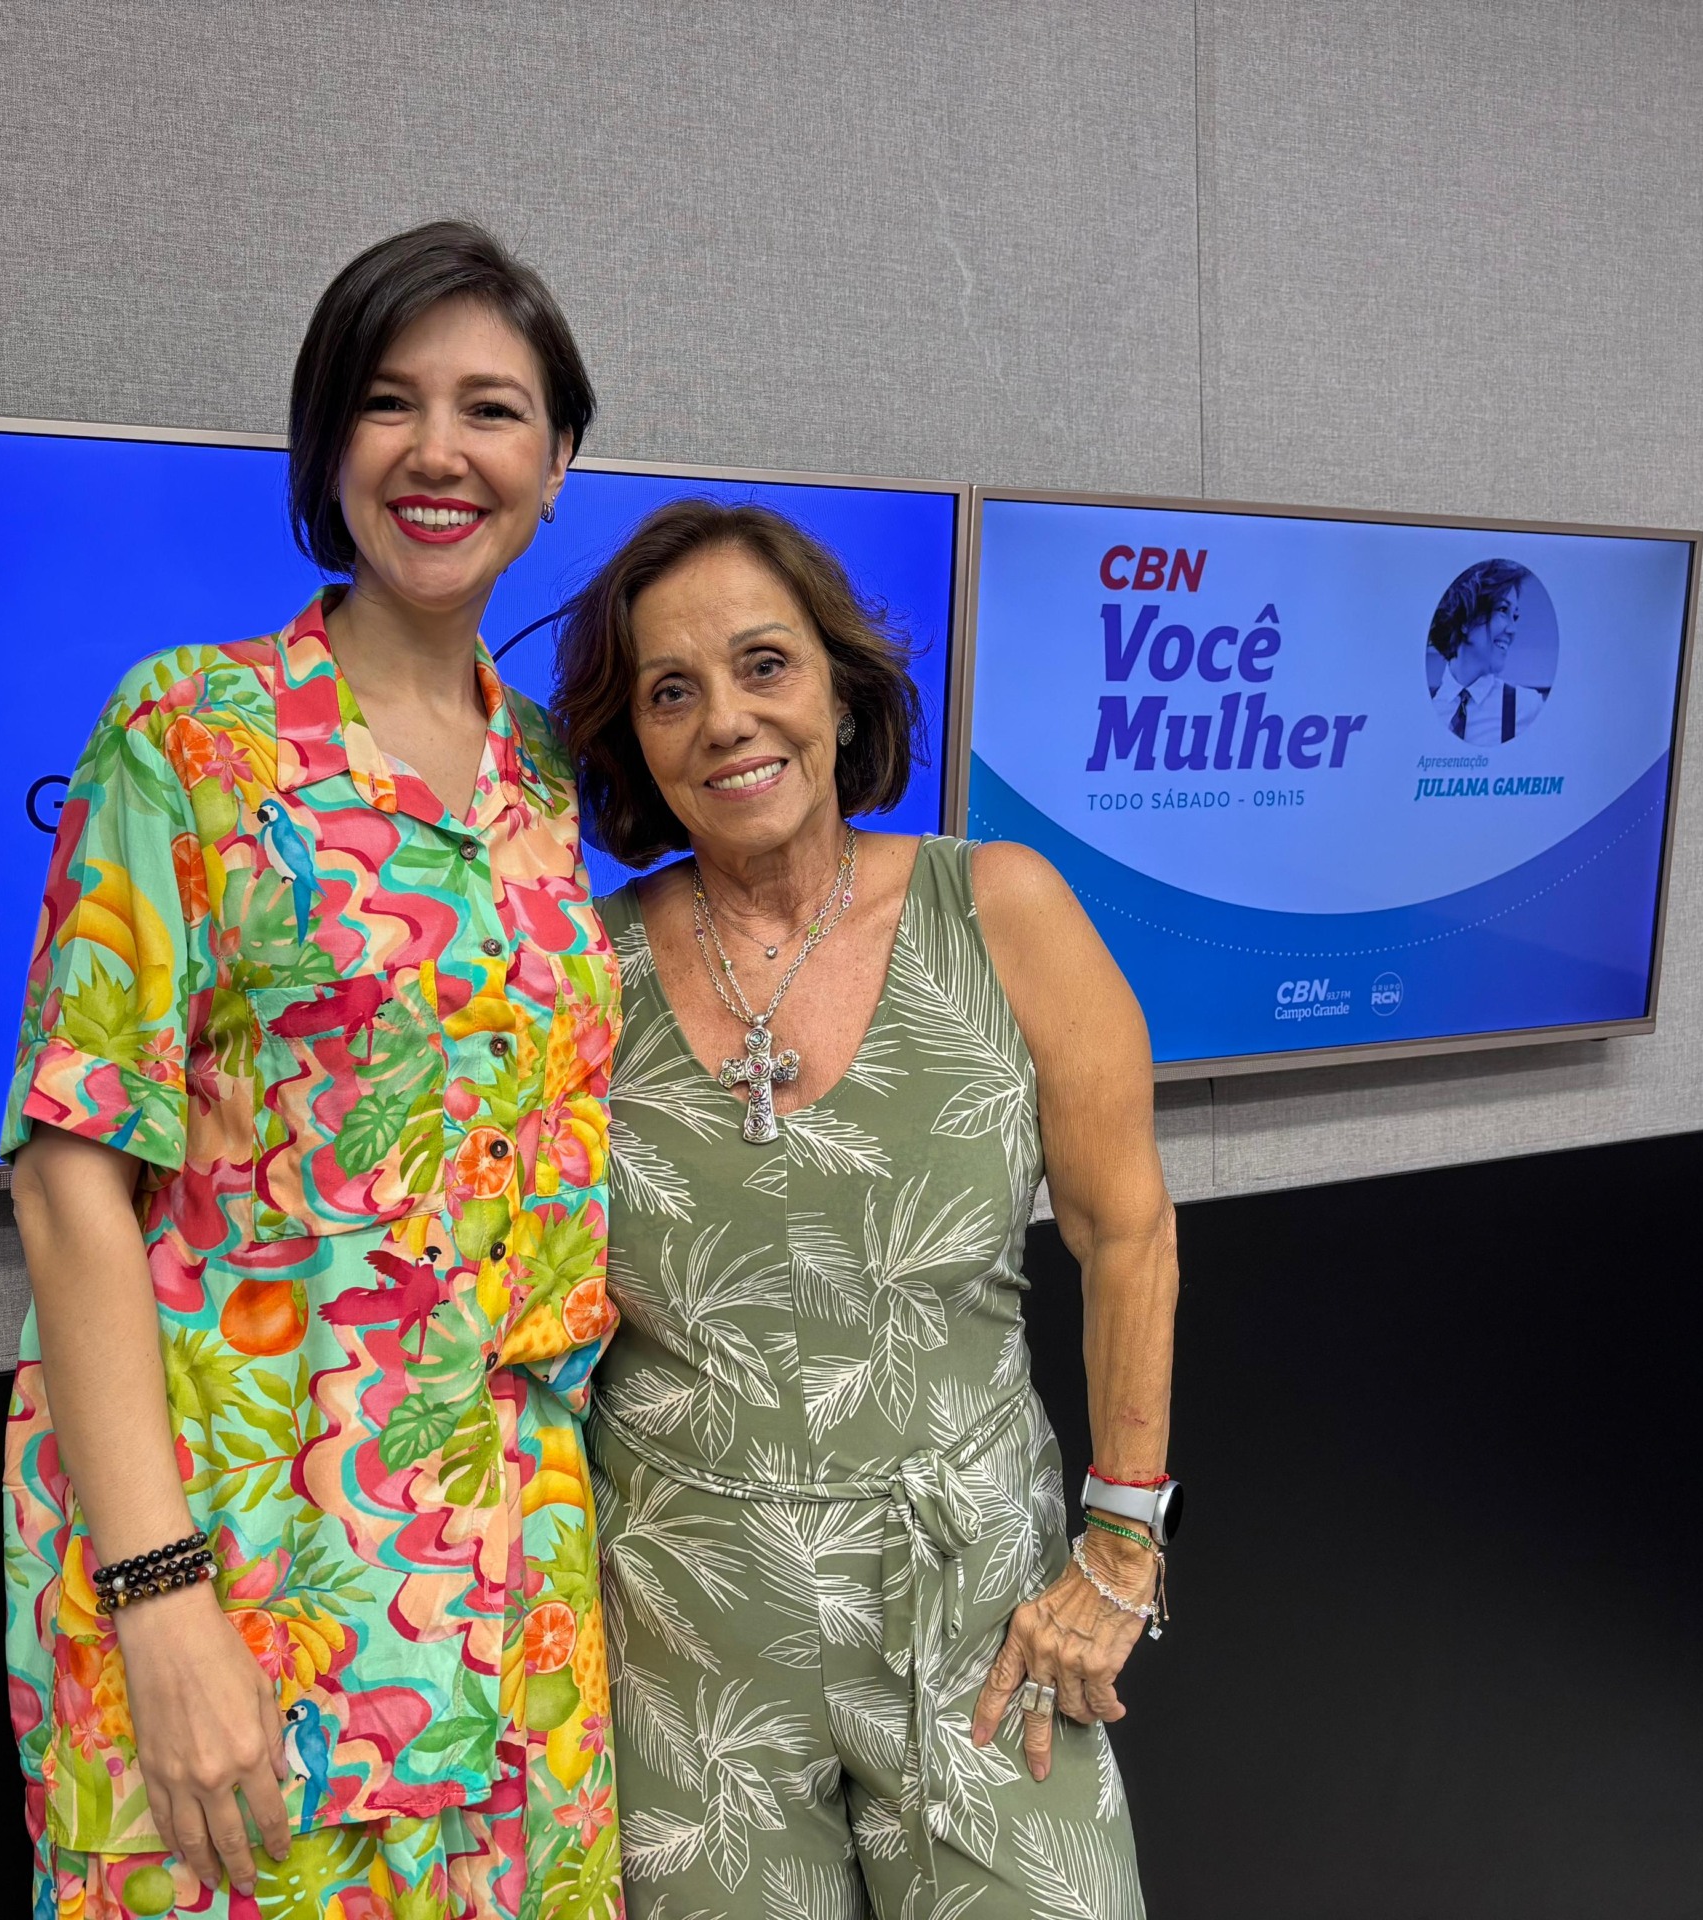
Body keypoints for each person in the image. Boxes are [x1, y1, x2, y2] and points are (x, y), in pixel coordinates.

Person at [1, 220, 624, 1920]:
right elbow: (72, 1176)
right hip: (245, 1576)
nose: (440, 451)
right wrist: (160, 1596)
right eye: (387, 402)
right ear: (325, 445)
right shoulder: (189, 736)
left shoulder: (559, 787)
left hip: (516, 1613)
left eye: (492, 410)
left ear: (557, 464)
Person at [550, 502, 1180, 1918]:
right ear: (635, 742)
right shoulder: (579, 975)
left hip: (983, 1621)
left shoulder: (1000, 910)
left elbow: (1126, 1230)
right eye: (671, 691)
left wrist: (1124, 1550)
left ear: (838, 686)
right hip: (683, 1646)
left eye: (764, 664)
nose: (726, 719)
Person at [1428, 558, 1547, 743]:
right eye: (1502, 609)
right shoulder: (1424, 708)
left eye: (1514, 616)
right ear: (1466, 619)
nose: (1512, 629)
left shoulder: (1526, 708)